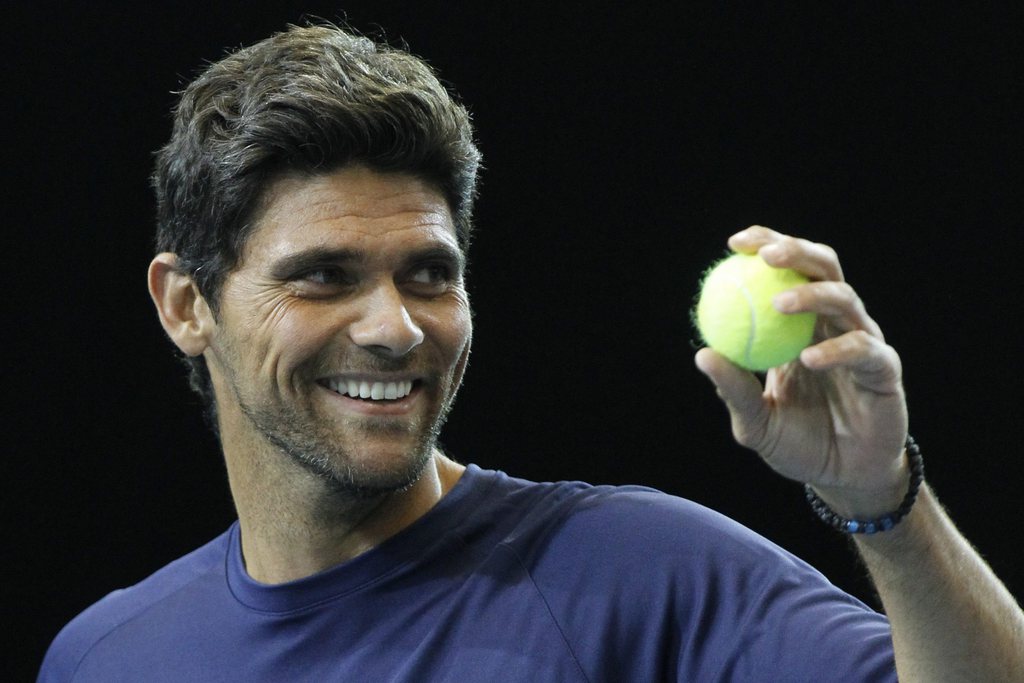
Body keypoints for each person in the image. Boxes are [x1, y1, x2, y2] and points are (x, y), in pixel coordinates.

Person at [38, 23, 1024, 682]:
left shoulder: (644, 573)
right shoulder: (102, 655)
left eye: (428, 273)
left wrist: (881, 500)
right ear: (185, 304)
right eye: (323, 275)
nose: (395, 325)